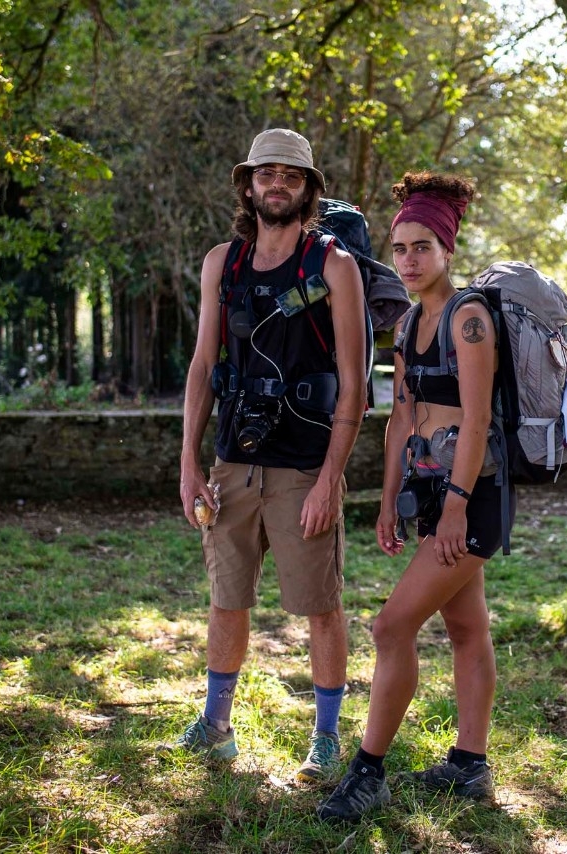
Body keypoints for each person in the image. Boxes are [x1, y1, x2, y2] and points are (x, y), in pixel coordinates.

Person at [165, 128, 368, 784]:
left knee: (319, 605)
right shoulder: (222, 263)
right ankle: (215, 726)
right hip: (233, 461)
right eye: (266, 174)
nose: (277, 185)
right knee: (226, 598)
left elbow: (354, 384)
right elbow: (203, 365)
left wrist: (330, 479)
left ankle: (327, 739)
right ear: (248, 185)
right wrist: (190, 462)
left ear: (308, 190)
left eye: (291, 176)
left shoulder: (333, 265)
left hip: (304, 466)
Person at [317, 172, 514, 822]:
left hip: (472, 497)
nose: (408, 260)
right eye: (400, 248)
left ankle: (368, 772)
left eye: (422, 247)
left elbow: (477, 421)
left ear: (447, 250)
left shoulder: (470, 319)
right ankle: (470, 765)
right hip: (430, 492)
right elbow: (401, 415)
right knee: (466, 627)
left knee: (391, 626)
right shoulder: (406, 324)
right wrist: (388, 497)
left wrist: (455, 507)